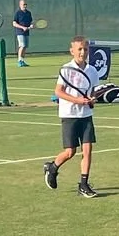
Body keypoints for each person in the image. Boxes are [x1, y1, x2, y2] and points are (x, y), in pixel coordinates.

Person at [43, 37, 100, 198]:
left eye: (86, 49)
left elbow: (92, 91)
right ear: (72, 51)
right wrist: (77, 100)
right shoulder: (66, 69)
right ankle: (52, 167)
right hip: (69, 115)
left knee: (87, 151)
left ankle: (83, 184)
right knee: (70, 152)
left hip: (86, 115)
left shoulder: (92, 71)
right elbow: (58, 92)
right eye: (80, 49)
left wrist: (92, 98)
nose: (83, 52)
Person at [12, 0, 35, 66]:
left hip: (26, 32)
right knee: (22, 45)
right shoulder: (18, 13)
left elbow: (31, 22)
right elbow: (14, 23)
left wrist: (31, 25)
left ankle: (22, 60)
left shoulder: (28, 13)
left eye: (25, 4)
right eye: (23, 4)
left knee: (25, 47)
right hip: (20, 32)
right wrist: (22, 27)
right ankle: (19, 61)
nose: (24, 6)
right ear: (20, 5)